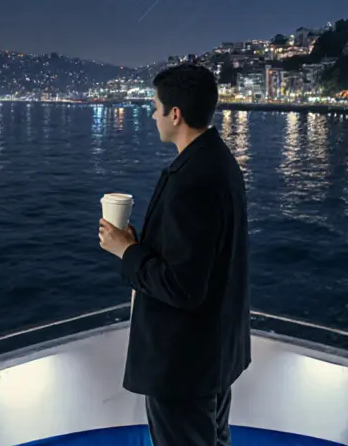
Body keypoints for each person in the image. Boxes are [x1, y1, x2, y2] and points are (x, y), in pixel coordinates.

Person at [98, 63, 250, 446]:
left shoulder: (191, 181)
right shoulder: (219, 162)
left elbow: (184, 286)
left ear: (175, 114)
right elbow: (204, 256)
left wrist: (126, 252)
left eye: (155, 106)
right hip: (213, 353)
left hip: (183, 365)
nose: (152, 115)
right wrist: (138, 245)